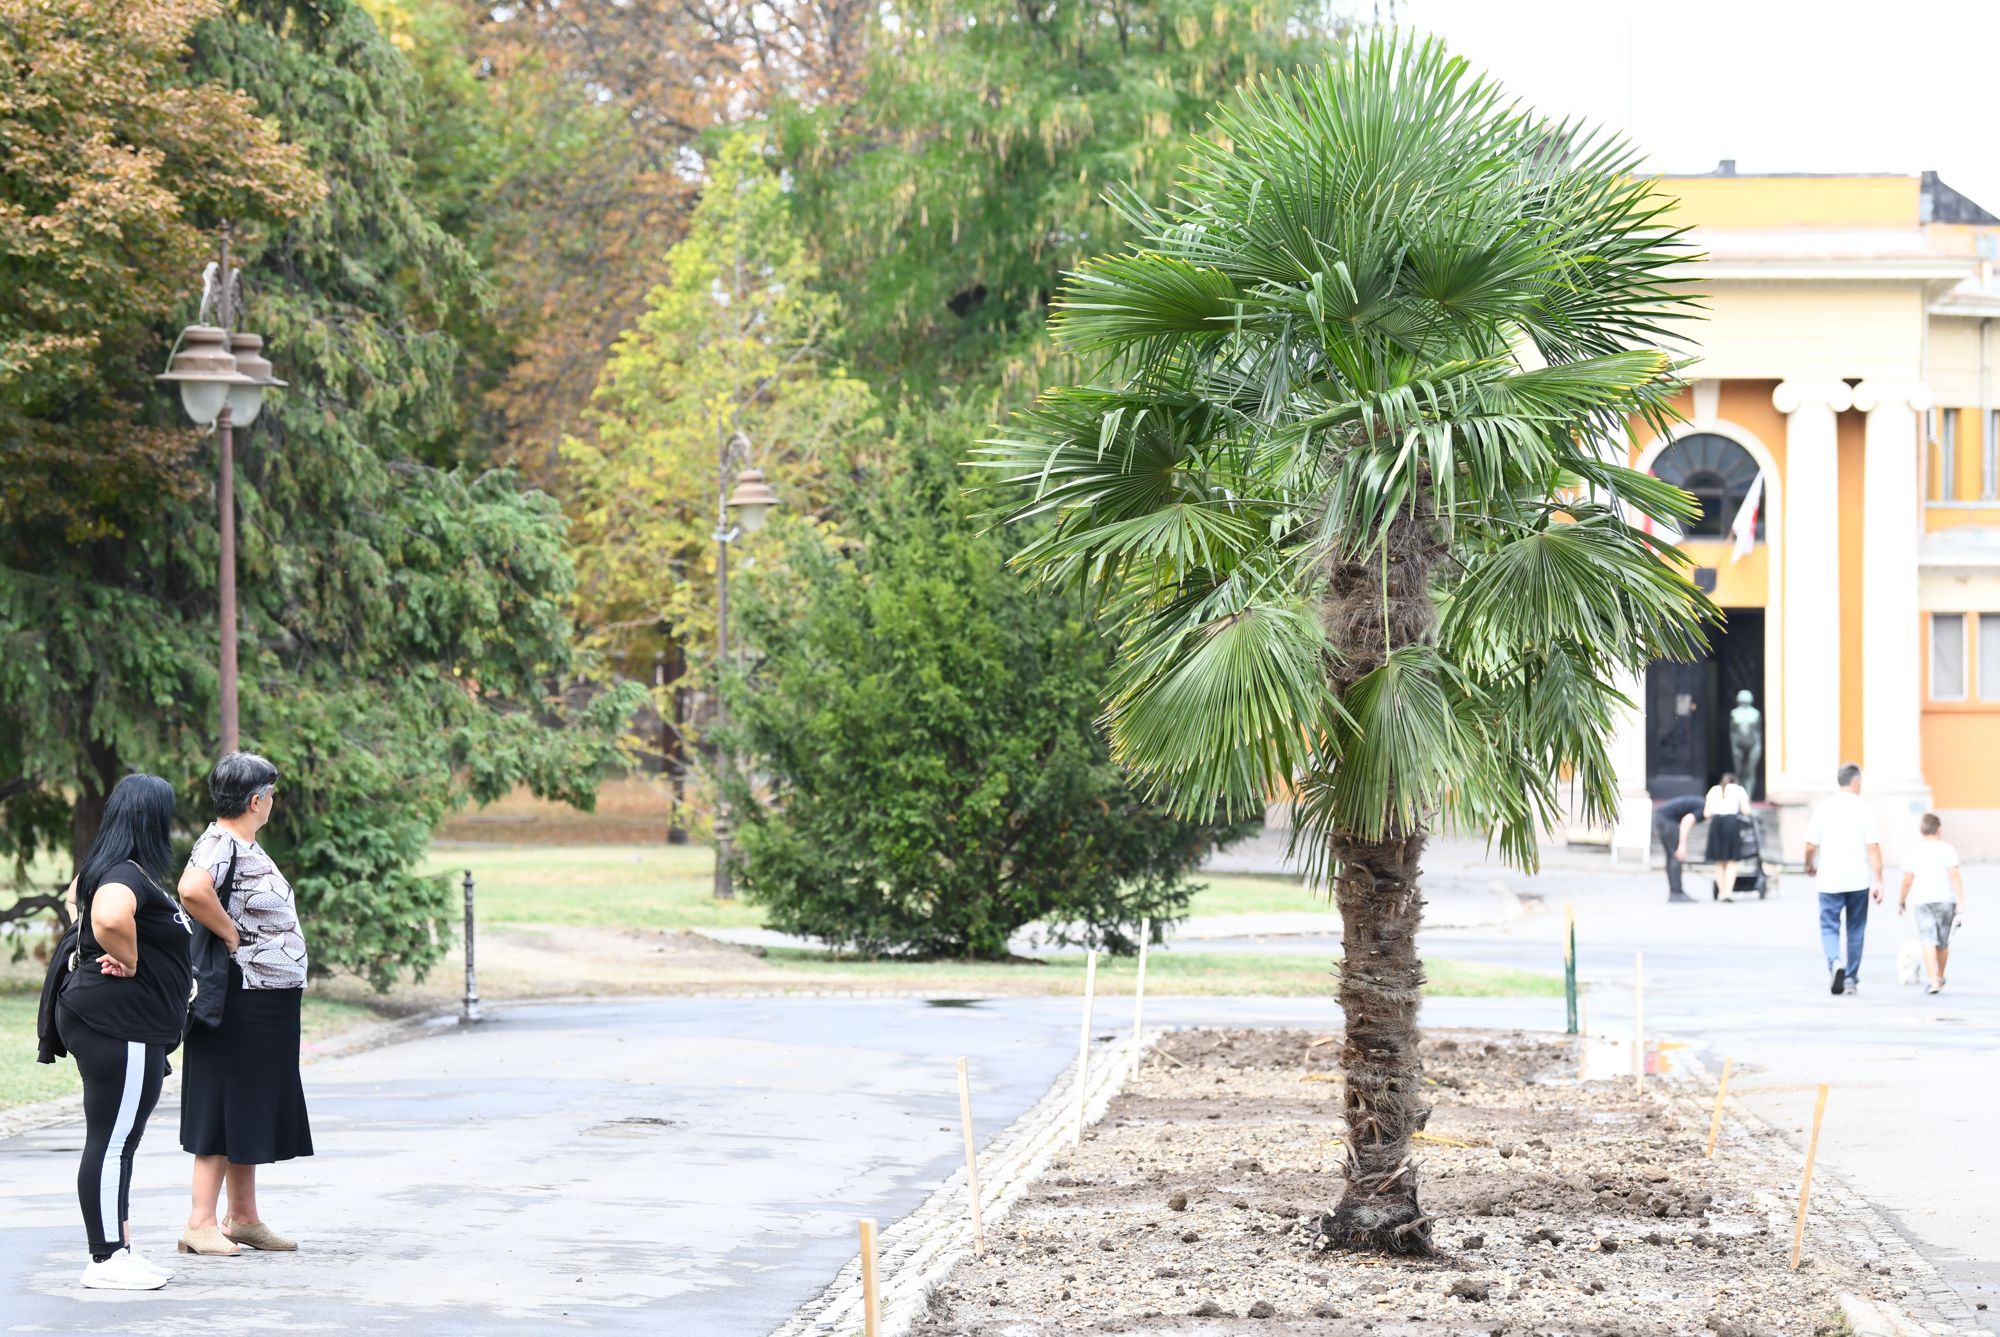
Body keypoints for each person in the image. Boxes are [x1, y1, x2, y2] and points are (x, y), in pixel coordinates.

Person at [54, 774, 193, 1290]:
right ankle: (105, 1260)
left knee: (118, 1142)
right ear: (153, 820)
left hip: (116, 1021)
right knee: (112, 1142)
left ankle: (120, 1250)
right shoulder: (123, 876)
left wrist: (97, 946)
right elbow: (109, 915)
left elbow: (78, 901)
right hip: (120, 1024)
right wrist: (128, 959)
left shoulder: (108, 868)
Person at [176, 752, 313, 1257]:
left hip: (266, 999)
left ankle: (245, 1218)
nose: (273, 802)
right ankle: (199, 1221)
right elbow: (191, 889)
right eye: (271, 794)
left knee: (249, 1103)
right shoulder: (219, 843)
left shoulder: (241, 844)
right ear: (256, 800)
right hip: (239, 996)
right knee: (222, 1100)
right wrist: (231, 935)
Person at [1803, 762, 1882, 996]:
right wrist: (1879, 880)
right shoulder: (1865, 809)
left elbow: (1810, 844)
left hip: (1829, 879)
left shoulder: (1823, 808)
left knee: (1829, 926)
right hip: (1858, 880)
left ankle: (1835, 962)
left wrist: (1809, 864)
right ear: (1856, 782)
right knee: (1856, 929)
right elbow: (1874, 847)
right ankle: (1850, 979)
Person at [1898, 812, 1967, 994]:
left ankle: (1933, 979)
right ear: (1939, 830)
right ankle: (1941, 975)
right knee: (1943, 942)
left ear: (1921, 831)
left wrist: (1901, 901)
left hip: (1923, 900)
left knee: (1927, 939)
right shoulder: (1948, 849)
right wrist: (1961, 902)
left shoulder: (1914, 851)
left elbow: (1907, 880)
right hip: (1946, 900)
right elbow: (1954, 875)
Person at [1703, 771, 1753, 903]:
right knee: (1731, 860)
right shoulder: (1738, 790)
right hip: (1731, 823)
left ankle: (1721, 892)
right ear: (1734, 781)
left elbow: (1707, 813)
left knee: (1719, 861)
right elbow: (1746, 810)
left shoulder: (1714, 790)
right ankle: (1728, 893)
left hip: (1716, 824)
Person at [1653, 794, 1704, 903]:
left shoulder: (1700, 803)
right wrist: (1682, 845)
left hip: (1662, 818)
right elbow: (1686, 822)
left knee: (1671, 857)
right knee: (1676, 856)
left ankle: (1675, 892)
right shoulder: (1702, 808)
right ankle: (1677, 893)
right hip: (1666, 821)